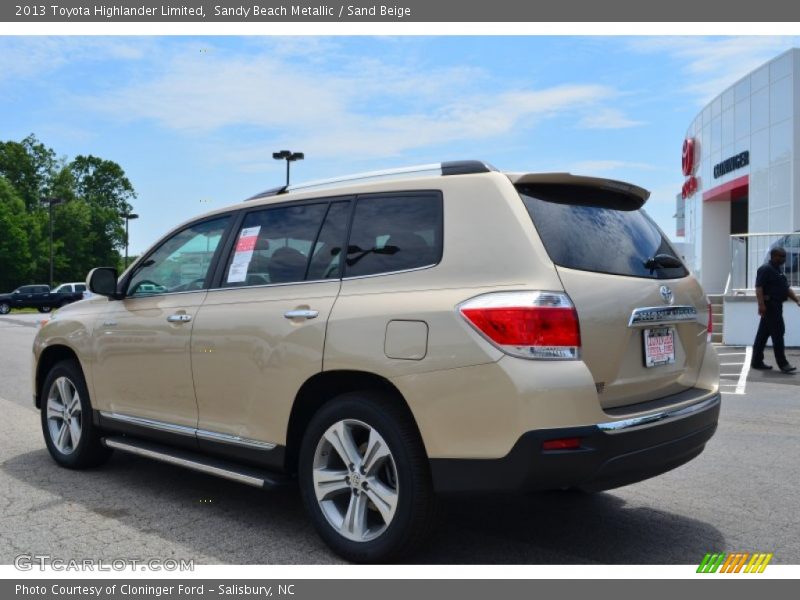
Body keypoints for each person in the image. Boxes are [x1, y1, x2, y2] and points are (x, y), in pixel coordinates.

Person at [751, 247, 800, 373]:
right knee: (778, 333)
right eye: (781, 256)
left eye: (784, 256)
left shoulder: (778, 271)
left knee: (762, 335)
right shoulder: (765, 269)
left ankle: (756, 361)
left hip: (777, 305)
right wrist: (761, 305)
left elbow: (786, 289)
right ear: (773, 256)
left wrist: (797, 300)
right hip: (770, 306)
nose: (784, 259)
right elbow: (759, 288)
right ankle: (783, 364)